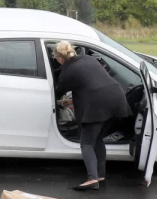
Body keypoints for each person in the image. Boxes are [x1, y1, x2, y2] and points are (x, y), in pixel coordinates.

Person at [53, 40, 132, 190]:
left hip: (98, 104)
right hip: (116, 97)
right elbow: (92, 85)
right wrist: (71, 101)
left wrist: (58, 99)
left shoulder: (67, 71)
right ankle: (100, 174)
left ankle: (92, 179)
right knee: (97, 138)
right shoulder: (89, 59)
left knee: (86, 142)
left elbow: (58, 92)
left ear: (59, 58)